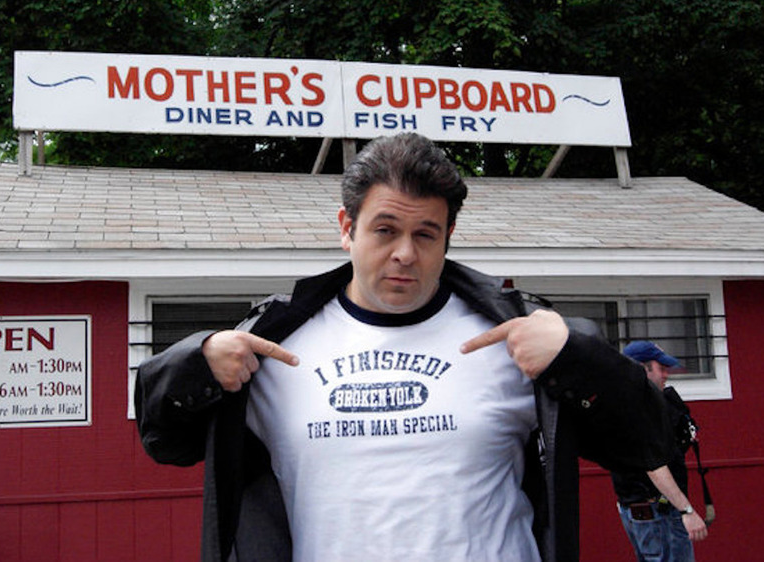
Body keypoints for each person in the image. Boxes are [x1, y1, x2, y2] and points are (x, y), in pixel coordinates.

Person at [134, 132, 671, 562]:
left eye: (425, 234)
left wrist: (578, 355)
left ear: (448, 235)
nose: (404, 255)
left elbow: (650, 443)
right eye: (385, 230)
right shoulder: (273, 345)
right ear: (348, 229)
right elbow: (164, 441)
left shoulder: (514, 337)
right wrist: (197, 362)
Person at [612, 340, 709, 561]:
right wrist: (687, 511)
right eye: (661, 368)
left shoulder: (622, 404)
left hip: (641, 509)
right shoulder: (640, 412)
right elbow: (654, 466)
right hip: (657, 511)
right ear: (642, 370)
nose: (666, 374)